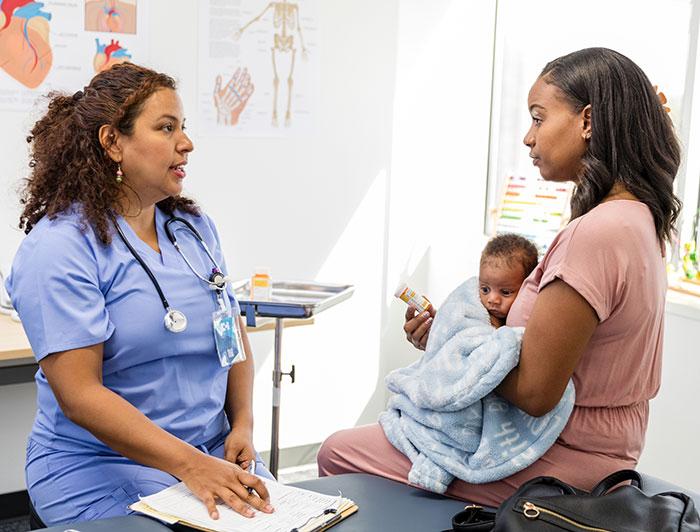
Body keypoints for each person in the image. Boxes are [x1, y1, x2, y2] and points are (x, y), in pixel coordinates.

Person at [318, 47, 681, 507]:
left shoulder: (596, 234)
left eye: (538, 118)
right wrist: (448, 344)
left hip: (561, 454)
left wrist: (450, 347)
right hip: (607, 450)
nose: (528, 138)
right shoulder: (639, 219)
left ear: (588, 121)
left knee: (338, 452)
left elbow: (534, 393)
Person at [5, 63, 275, 526]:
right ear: (112, 141)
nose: (186, 143)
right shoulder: (60, 246)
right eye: (166, 128)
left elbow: (232, 333)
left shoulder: (194, 230)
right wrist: (192, 466)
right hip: (98, 466)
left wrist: (243, 423)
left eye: (183, 128)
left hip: (209, 455)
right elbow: (80, 395)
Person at [478, 233, 539, 328]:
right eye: (485, 290)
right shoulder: (475, 313)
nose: (492, 300)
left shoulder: (530, 317)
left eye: (505, 292)